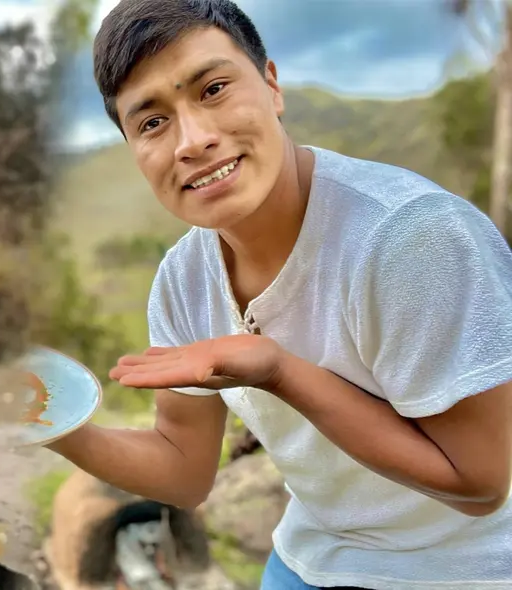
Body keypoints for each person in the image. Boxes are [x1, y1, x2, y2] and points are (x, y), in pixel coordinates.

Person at [47, 1, 512, 589]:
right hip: (314, 554)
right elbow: (185, 471)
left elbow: (481, 484)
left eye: (213, 89)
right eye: (152, 122)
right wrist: (59, 428)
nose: (193, 140)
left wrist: (279, 372)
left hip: (466, 567)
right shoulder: (182, 280)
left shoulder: (411, 238)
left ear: (271, 85)